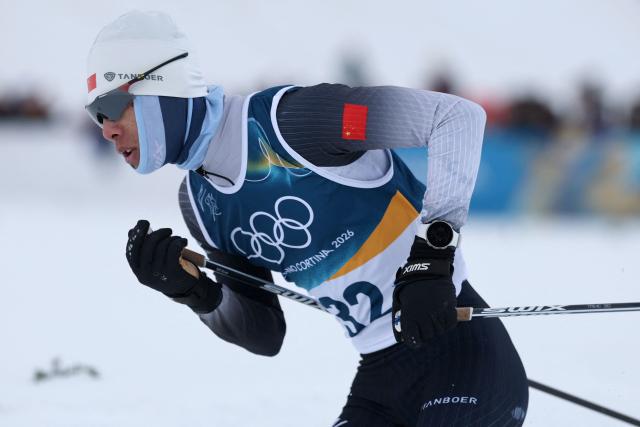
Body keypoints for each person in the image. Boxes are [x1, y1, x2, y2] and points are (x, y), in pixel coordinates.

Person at [86, 11, 529, 426]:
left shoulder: (291, 124)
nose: (105, 129)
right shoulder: (201, 204)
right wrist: (196, 293)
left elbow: (455, 119)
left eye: (109, 106)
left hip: (462, 354)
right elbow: (264, 333)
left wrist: (433, 257)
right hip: (381, 381)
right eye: (95, 115)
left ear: (159, 85)